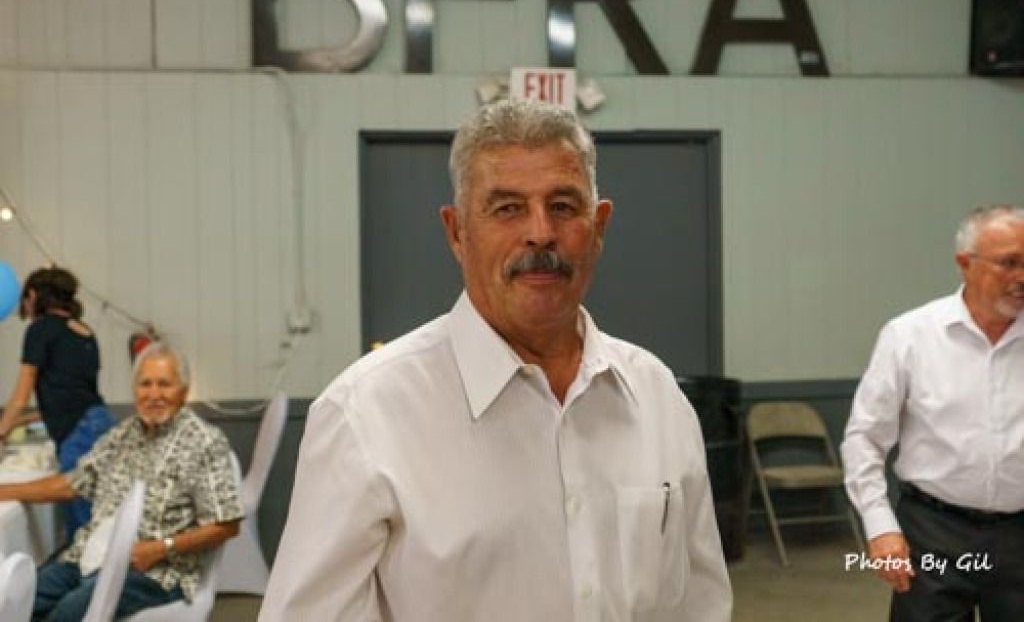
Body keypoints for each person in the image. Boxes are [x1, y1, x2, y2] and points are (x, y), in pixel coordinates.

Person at [260, 99, 731, 621]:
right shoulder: (365, 416)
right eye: (507, 208)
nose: (540, 233)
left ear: (598, 227)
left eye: (563, 206)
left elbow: (701, 605)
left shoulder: (656, 397)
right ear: (456, 233)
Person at [841, 205, 1024, 621]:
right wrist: (880, 526)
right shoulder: (910, 337)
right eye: (1009, 263)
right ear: (965, 263)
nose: (1022, 277)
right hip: (934, 532)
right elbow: (865, 439)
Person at [0, 341, 243, 621]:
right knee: (21, 599)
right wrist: (3, 490)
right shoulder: (122, 435)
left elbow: (227, 524)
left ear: (184, 391)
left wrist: (161, 548)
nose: (154, 394)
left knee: (66, 615)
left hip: (155, 572)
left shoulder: (205, 441)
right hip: (86, 557)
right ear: (134, 390)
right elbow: (72, 484)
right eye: (145, 384)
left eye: (164, 384)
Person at [0, 266, 114, 539]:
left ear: (34, 295)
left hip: (79, 434)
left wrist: (1, 431)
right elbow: (72, 396)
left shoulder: (41, 329)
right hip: (102, 422)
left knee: (82, 525)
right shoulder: (84, 331)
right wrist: (27, 420)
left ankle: (85, 578)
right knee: (101, 517)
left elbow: (20, 394)